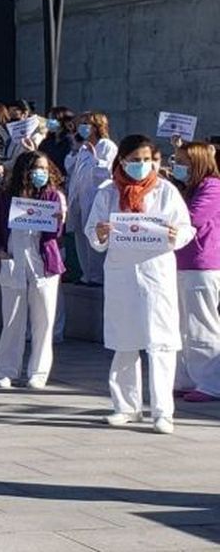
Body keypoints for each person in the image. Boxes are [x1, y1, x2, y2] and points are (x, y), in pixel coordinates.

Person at [86, 135, 194, 434]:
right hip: (122, 274)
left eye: (146, 159)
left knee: (160, 343)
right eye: (134, 160)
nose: (141, 165)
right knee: (124, 341)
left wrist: (176, 235)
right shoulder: (107, 194)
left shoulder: (165, 190)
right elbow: (92, 233)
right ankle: (125, 406)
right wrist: (101, 232)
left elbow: (185, 227)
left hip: (156, 272)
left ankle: (163, 412)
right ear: (121, 160)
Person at [0, 150, 67, 390]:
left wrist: (57, 220)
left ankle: (38, 372)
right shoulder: (6, 197)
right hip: (14, 259)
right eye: (35, 169)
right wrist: (0, 250)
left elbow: (56, 236)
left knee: (43, 320)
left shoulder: (54, 196)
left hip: (43, 263)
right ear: (25, 171)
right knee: (12, 319)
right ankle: (7, 371)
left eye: (44, 169)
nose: (40, 174)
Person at [173, 142, 220, 402]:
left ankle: (211, 382)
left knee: (202, 324)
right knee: (181, 325)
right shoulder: (189, 187)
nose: (177, 166)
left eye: (183, 162)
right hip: (181, 262)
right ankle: (186, 378)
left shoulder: (212, 187)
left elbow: (192, 218)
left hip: (203, 264)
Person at [68, 111, 117, 286]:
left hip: (96, 197)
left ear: (97, 126)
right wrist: (75, 148)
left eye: (86, 123)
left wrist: (95, 156)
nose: (83, 127)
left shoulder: (107, 145)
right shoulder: (83, 146)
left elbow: (108, 170)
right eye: (81, 123)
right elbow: (70, 167)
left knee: (94, 235)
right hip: (80, 197)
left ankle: (97, 276)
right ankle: (86, 274)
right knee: (80, 235)